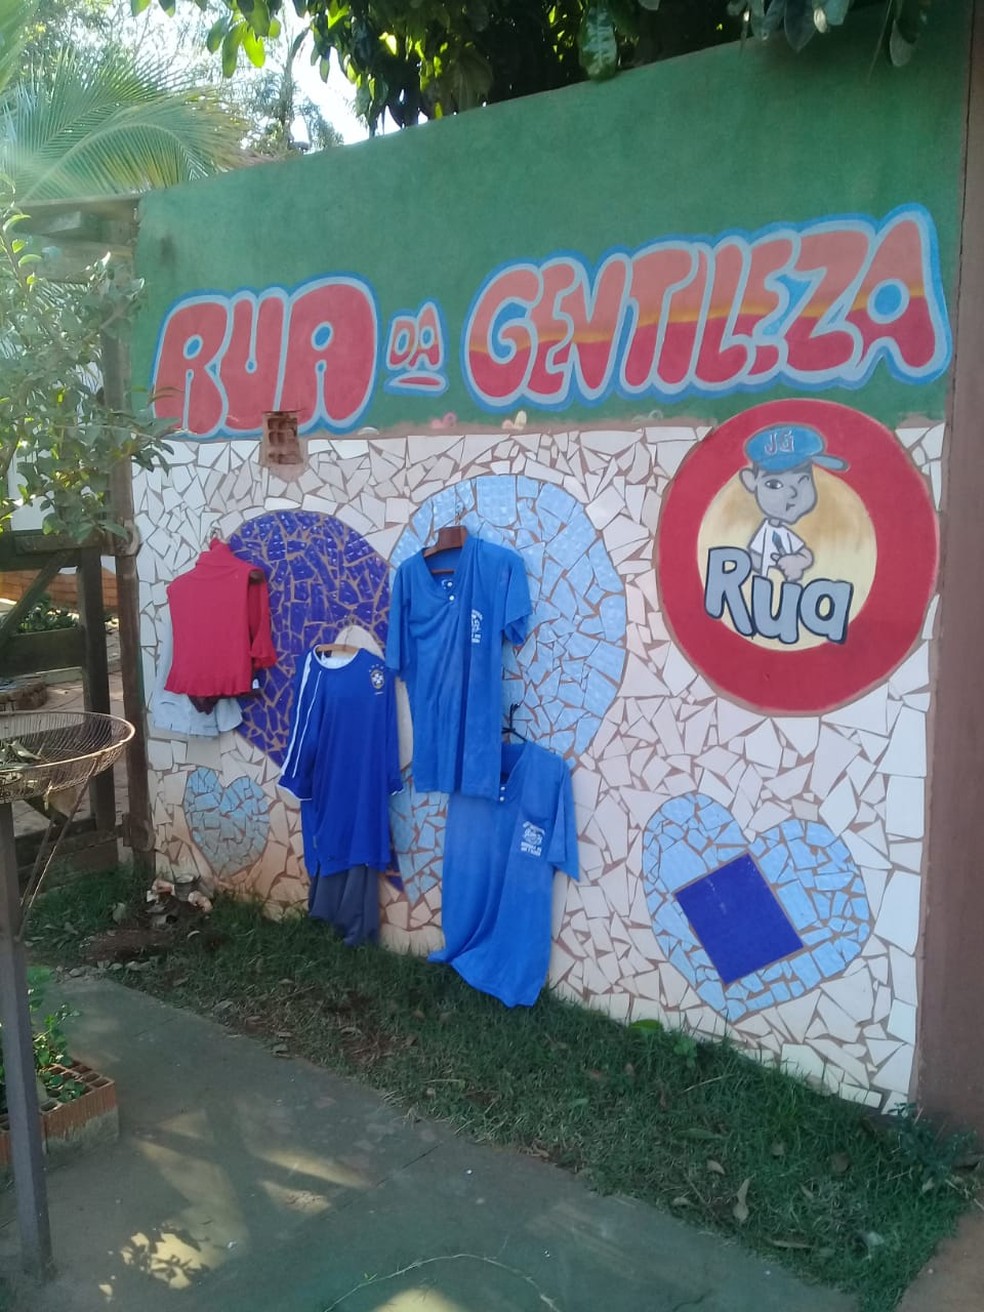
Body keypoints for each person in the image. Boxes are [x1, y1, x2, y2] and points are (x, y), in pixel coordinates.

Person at [739, 423, 848, 583]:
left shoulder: (784, 534)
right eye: (774, 484)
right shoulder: (766, 532)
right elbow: (754, 556)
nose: (793, 493)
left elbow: (806, 555)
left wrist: (797, 563)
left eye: (803, 480)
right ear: (750, 482)